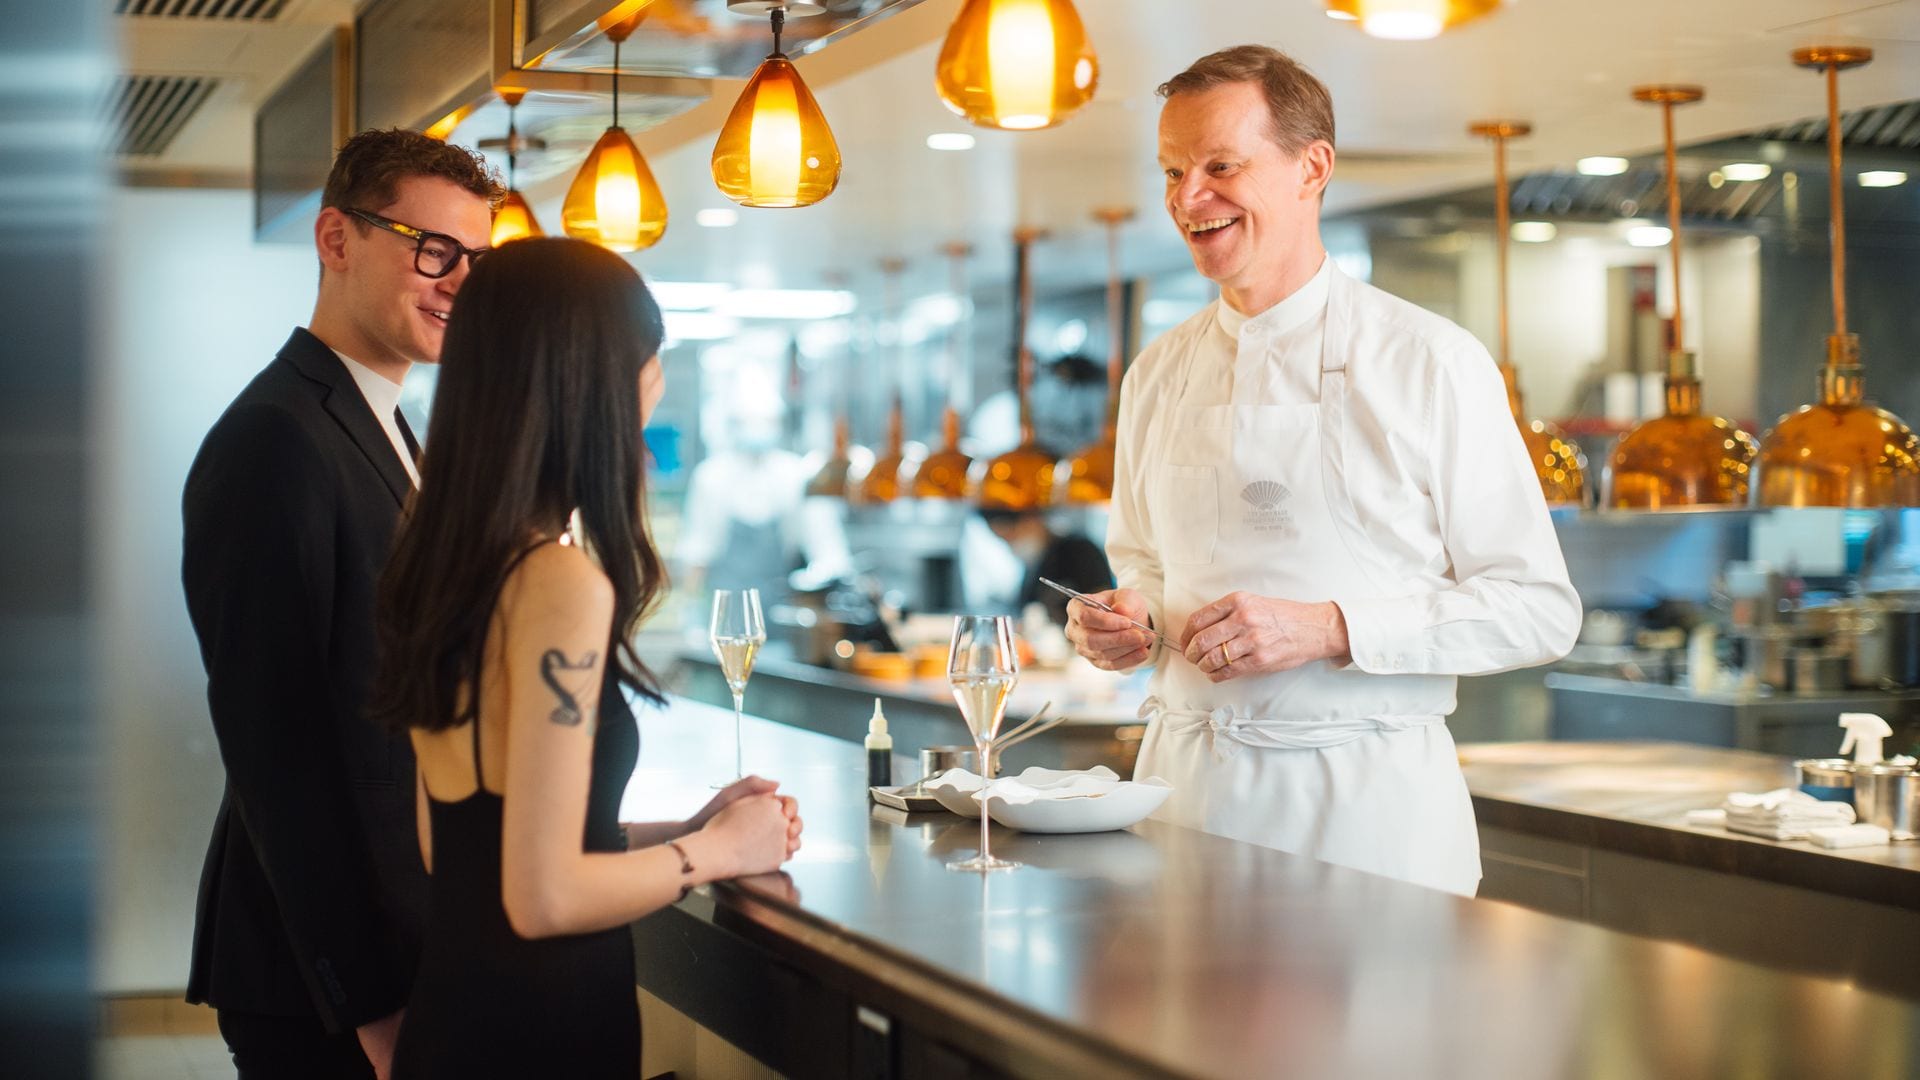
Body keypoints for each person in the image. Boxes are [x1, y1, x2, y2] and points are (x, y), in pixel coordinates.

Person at [1065, 46, 1580, 897]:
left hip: (1368, 822)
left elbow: (1538, 612)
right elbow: (1147, 563)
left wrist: (1331, 628)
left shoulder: (1431, 361)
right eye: (1173, 171)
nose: (1188, 199)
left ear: (1313, 167)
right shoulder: (1156, 372)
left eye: (1220, 165)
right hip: (1185, 803)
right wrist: (1127, 616)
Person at [369, 238, 803, 1079]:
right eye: (650, 363)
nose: (656, 389)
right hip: (539, 1037)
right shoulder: (556, 581)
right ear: (594, 380)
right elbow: (544, 897)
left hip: (455, 1023)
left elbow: (455, 846)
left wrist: (685, 827)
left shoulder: (440, 560)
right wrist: (715, 855)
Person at [180, 128, 499, 1078]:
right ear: (337, 239)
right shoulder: (275, 437)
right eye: (432, 249)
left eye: (473, 260)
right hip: (318, 978)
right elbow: (276, 743)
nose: (455, 282)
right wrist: (369, 1003)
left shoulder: (396, 422)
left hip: (407, 933)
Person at [979, 504, 1113, 628]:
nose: (1012, 544)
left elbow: (1103, 606)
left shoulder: (1081, 551)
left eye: (1012, 535)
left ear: (1031, 518)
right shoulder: (1034, 566)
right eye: (1005, 540)